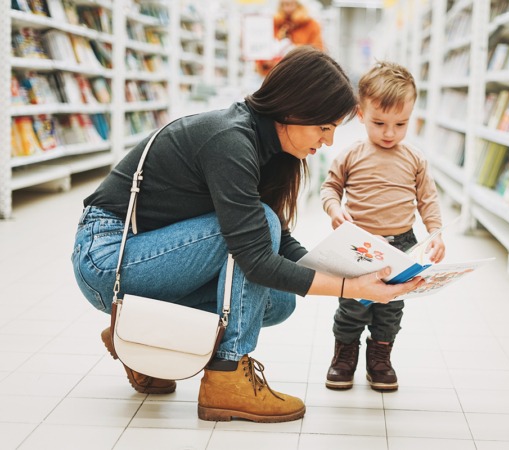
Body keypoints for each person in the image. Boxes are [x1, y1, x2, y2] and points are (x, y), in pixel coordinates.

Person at [71, 47, 424, 423]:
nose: (329, 141)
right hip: (108, 258)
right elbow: (256, 256)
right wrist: (352, 289)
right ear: (293, 109)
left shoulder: (267, 146)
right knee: (263, 239)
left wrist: (349, 268)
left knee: (278, 302)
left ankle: (146, 333)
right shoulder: (229, 140)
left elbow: (278, 242)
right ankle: (227, 376)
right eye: (324, 126)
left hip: (153, 258)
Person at [320, 61, 446, 392]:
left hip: (402, 244)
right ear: (360, 114)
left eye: (400, 124)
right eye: (379, 123)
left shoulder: (414, 159)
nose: (389, 133)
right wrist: (334, 210)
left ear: (412, 117)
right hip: (358, 243)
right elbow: (330, 188)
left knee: (390, 306)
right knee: (352, 304)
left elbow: (428, 200)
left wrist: (436, 234)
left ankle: (380, 357)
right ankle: (344, 355)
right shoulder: (350, 155)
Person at [256, 0, 324, 77]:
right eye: (284, 4)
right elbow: (261, 51)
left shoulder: (311, 25)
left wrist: (296, 52)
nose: (287, 8)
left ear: (299, 5)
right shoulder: (273, 23)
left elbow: (318, 52)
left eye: (291, 4)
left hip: (302, 74)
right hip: (275, 75)